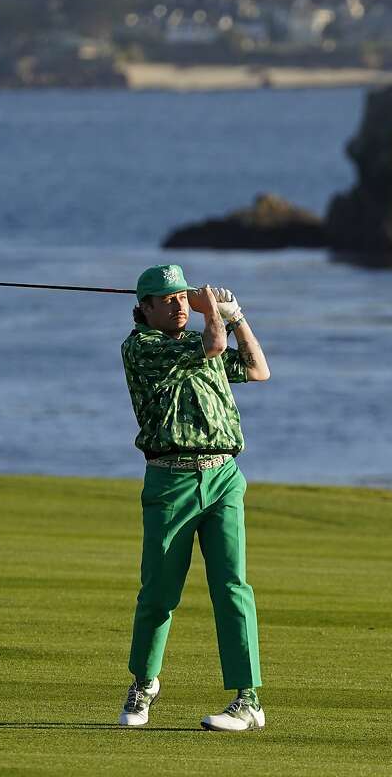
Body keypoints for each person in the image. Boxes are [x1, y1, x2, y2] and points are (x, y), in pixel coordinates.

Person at [117, 264, 271, 732]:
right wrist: (213, 312)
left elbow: (257, 369)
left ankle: (248, 700)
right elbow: (214, 345)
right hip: (171, 481)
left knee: (232, 588)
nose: (180, 305)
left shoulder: (200, 336)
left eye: (184, 297)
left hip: (223, 476)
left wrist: (236, 313)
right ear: (144, 308)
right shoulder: (141, 348)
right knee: (159, 593)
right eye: (168, 300)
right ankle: (144, 683)